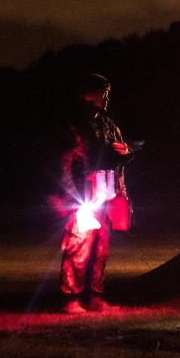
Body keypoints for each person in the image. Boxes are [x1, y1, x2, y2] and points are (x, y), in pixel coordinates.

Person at [52, 73, 134, 314]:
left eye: (108, 93)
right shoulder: (75, 124)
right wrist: (71, 196)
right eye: (102, 93)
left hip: (107, 191)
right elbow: (70, 160)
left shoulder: (108, 124)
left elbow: (121, 153)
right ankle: (71, 298)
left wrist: (126, 153)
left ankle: (95, 296)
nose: (106, 97)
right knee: (80, 246)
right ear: (88, 94)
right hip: (83, 193)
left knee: (101, 249)